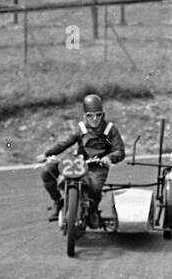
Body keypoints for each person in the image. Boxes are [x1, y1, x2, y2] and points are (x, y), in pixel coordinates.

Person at [35, 93, 126, 223]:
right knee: (47, 171)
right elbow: (64, 143)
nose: (94, 119)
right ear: (85, 115)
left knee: (95, 188)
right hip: (78, 163)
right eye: (90, 115)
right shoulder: (81, 129)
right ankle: (58, 202)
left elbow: (119, 150)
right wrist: (47, 154)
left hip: (97, 166)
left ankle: (93, 211)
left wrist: (109, 158)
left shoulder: (110, 130)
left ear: (103, 114)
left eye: (98, 115)